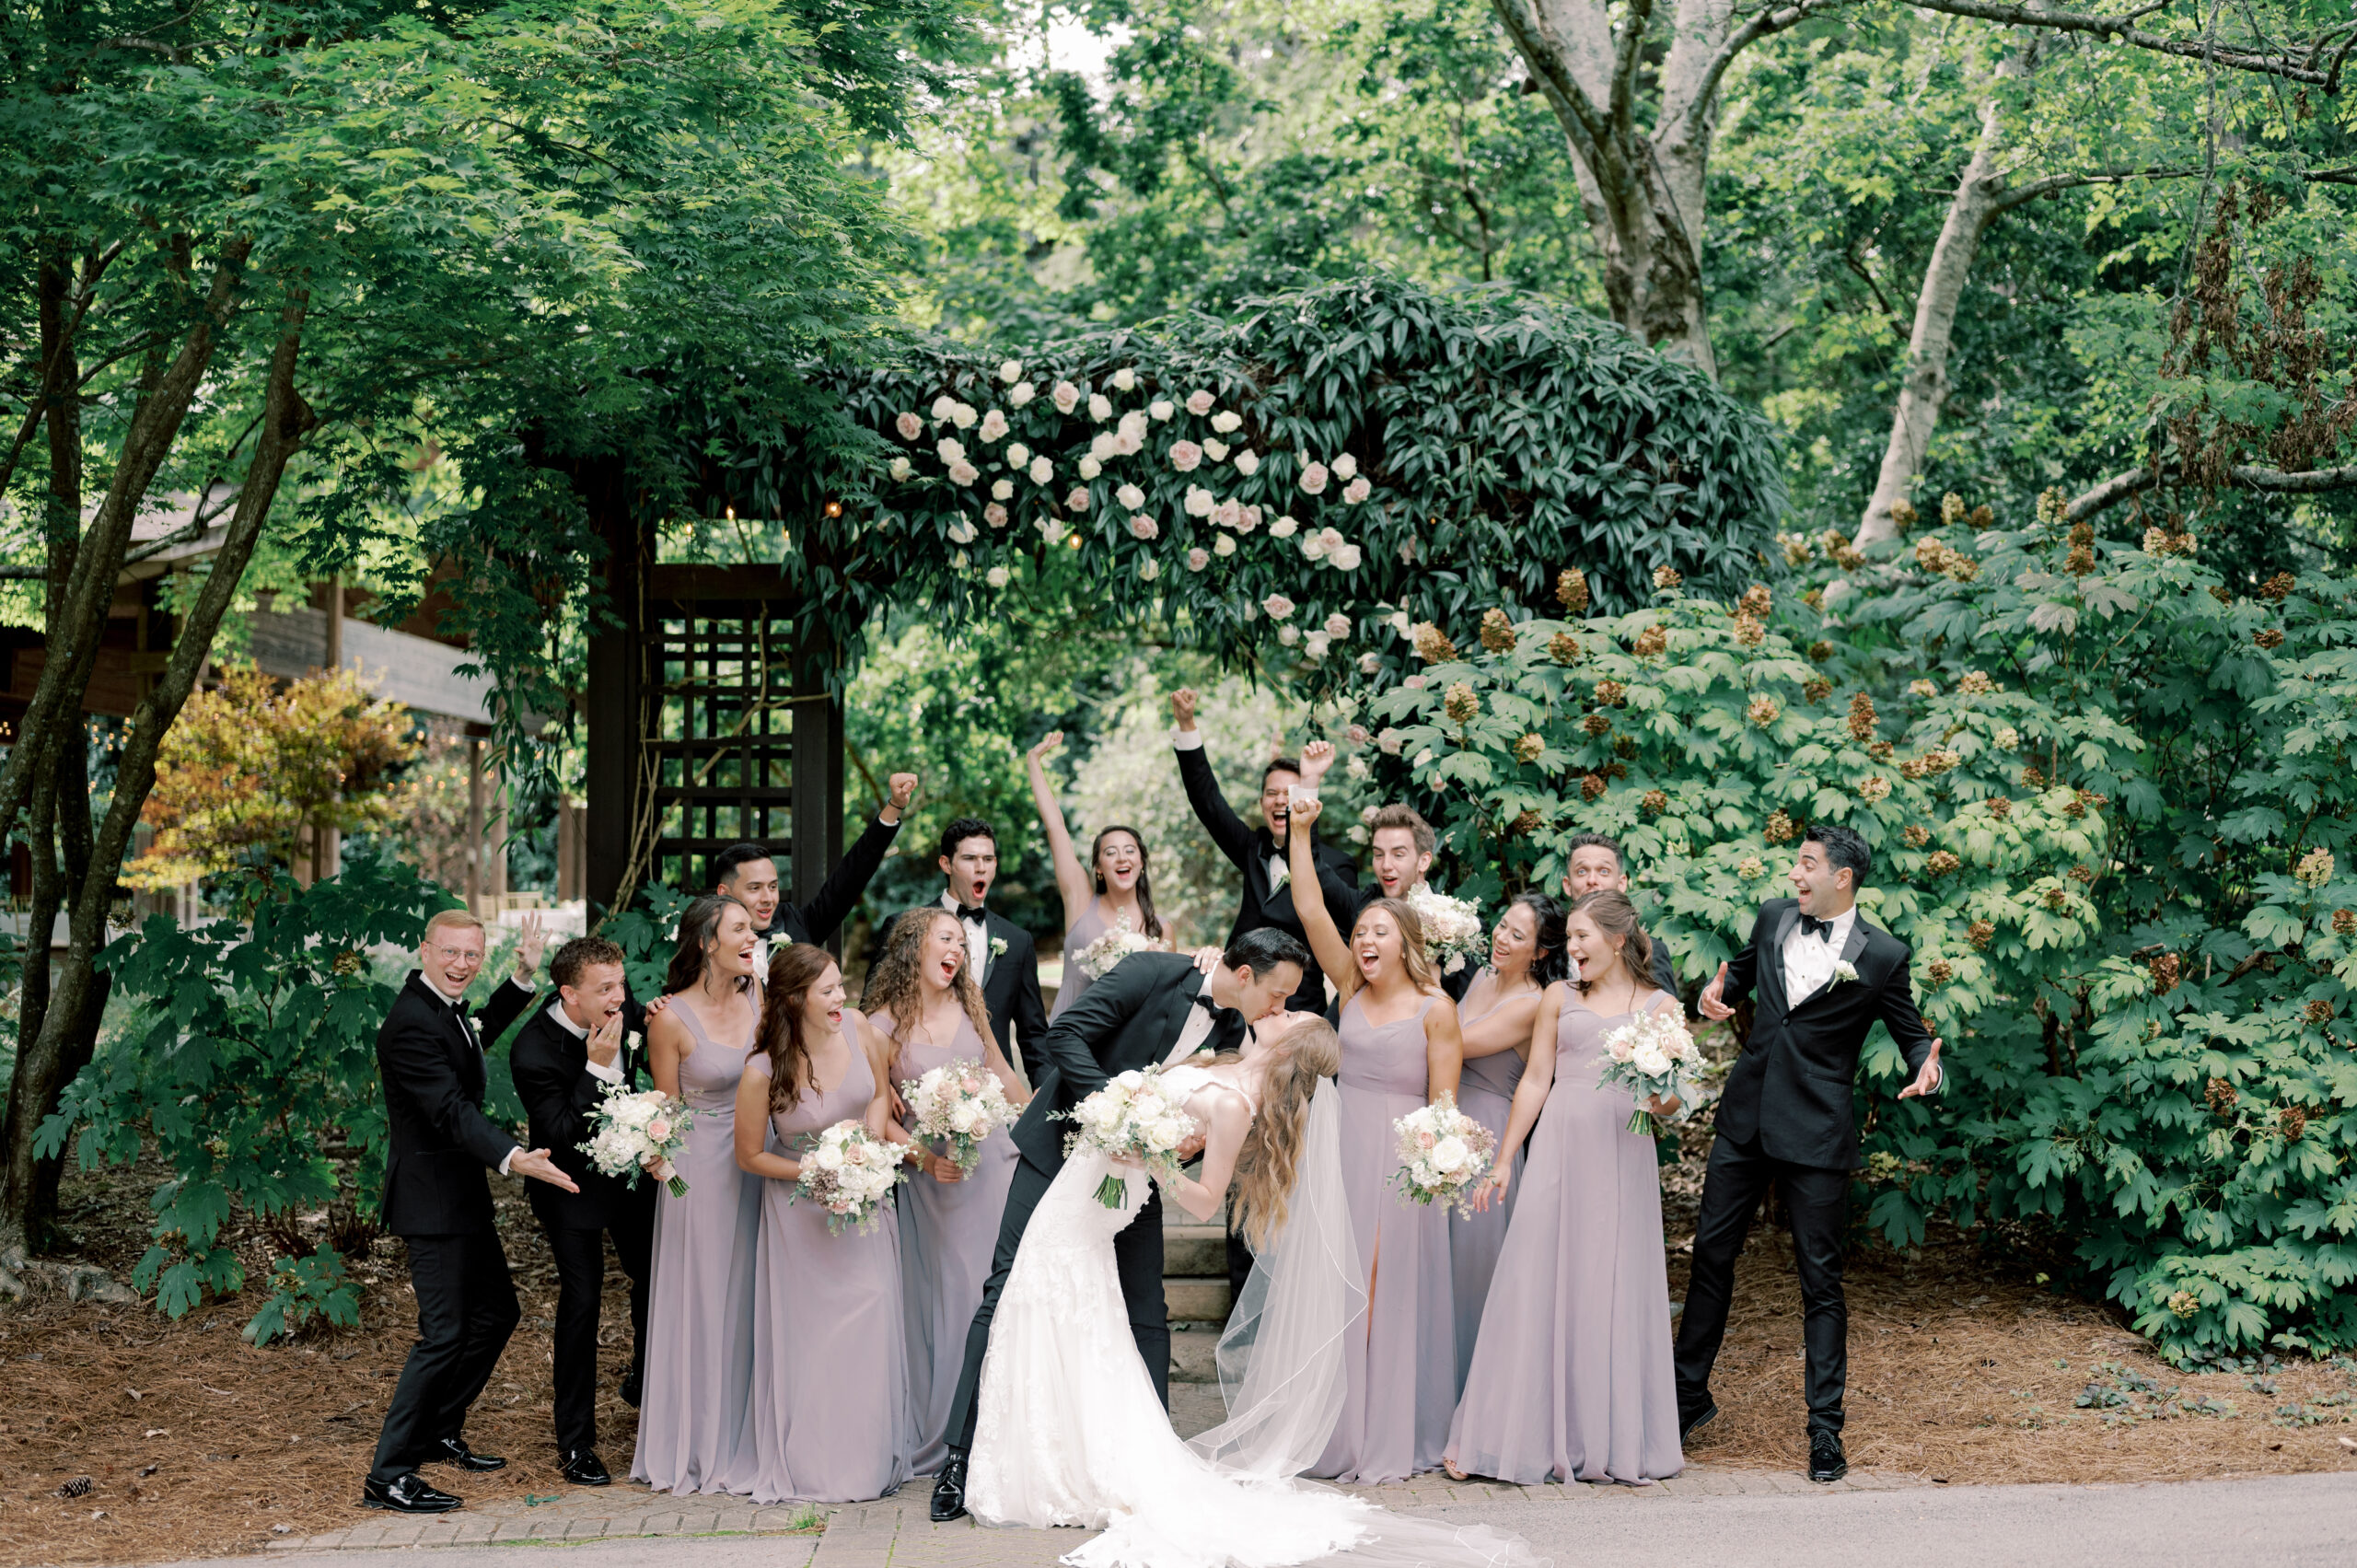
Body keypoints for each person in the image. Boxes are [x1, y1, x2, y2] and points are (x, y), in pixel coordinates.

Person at [957, 1008, 1544, 1568]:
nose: (1278, 1009)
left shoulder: (1239, 1106)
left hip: (1103, 1191)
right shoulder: (1220, 1063)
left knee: (1052, 1295)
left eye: (1291, 1017)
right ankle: (1055, 1457)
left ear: (1292, 1047)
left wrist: (1151, 1155)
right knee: (1056, 1302)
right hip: (1086, 1182)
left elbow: (1207, 1199)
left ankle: (1060, 1466)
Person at [928, 928, 1310, 1524]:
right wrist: (1115, 1108)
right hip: (1061, 1148)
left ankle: (1149, 1455)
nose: (1281, 1007)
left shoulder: (1239, 1031)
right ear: (1244, 975)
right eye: (1279, 993)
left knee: (1145, 1308)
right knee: (1005, 1286)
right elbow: (1065, 1033)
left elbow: (1204, 1117)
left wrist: (1165, 1149)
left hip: (1139, 1172)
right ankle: (957, 1456)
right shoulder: (1150, 972)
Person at [1678, 823, 1945, 1484]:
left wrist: (1927, 1069)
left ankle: (1825, 1430)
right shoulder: (1773, 917)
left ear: (1842, 877)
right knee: (1711, 1253)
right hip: (1745, 1118)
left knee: (1820, 1283)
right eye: (1796, 863)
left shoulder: (1883, 954)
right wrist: (1715, 997)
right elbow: (1736, 976)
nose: (1794, 875)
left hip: (1818, 1131)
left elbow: (1912, 1033)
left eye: (1807, 864)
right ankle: (1686, 1400)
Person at [1445, 891, 1684, 1485]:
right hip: (1558, 1148)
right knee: (1533, 1277)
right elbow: (1534, 1080)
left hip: (1623, 1154)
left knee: (1610, 1283)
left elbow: (1677, 1098)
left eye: (1583, 938)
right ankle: (1503, 1436)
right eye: (1570, 938)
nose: (1572, 949)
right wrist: (1503, 1161)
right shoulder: (1558, 996)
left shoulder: (1658, 1006)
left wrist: (1663, 1098)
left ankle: (1606, 1439)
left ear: (1618, 941)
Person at [364, 909, 575, 1516]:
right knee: (443, 1334)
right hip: (431, 1202)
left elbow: (474, 1030)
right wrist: (514, 1156)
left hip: (462, 1198)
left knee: (496, 1312)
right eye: (451, 952)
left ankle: (438, 1428)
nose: (462, 965)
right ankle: (390, 1473)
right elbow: (452, 1109)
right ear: (425, 951)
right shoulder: (409, 1025)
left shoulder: (444, 1011)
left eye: (472, 955)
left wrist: (520, 979)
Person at [1283, 796, 1464, 1481]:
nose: (1365, 938)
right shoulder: (1349, 987)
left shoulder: (1436, 1008)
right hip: (1342, 1152)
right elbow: (1307, 907)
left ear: (1407, 942)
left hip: (1399, 1162)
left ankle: (1384, 1431)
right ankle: (1338, 1429)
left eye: (1381, 931)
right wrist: (1302, 831)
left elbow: (1443, 1109)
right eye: (1362, 930)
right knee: (1339, 1288)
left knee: (1382, 1292)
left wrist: (1433, 1173)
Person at [734, 944, 913, 1504]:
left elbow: (880, 1095)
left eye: (841, 986)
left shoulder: (859, 1027)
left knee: (872, 1318)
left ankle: (867, 1459)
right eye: (828, 990)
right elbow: (750, 1156)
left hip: (866, 1206)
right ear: (794, 999)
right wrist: (817, 1171)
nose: (842, 998)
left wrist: (867, 1149)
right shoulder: (762, 1071)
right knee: (816, 1341)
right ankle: (819, 1466)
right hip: (802, 1218)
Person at [865, 907, 1028, 1474]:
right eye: (945, 938)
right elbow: (878, 1117)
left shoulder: (970, 1006)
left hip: (992, 1164)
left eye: (961, 940)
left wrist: (1044, 1127)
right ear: (914, 947)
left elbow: (1003, 1075)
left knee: (996, 1285)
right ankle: (956, 1428)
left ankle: (1002, 1422)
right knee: (951, 1293)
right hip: (935, 1179)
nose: (956, 948)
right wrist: (926, 1160)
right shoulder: (879, 1026)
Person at [505, 935, 658, 1487]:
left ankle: (646, 1381)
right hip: (568, 1185)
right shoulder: (532, 1051)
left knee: (656, 1278)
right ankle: (575, 1441)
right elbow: (562, 1135)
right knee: (584, 1300)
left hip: (633, 1177)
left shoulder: (626, 1008)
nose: (622, 997)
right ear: (570, 994)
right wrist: (596, 1067)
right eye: (606, 989)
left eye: (622, 983)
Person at [632, 895, 764, 1496]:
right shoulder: (669, 1019)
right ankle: (697, 1442)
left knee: (752, 1295)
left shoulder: (762, 998)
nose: (752, 934)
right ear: (708, 940)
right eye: (739, 927)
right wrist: (659, 1158)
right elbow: (665, 1109)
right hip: (698, 1169)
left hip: (757, 1159)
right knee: (706, 1298)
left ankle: (749, 1435)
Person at [1169, 689, 1359, 1015]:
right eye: (1271, 793)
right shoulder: (1251, 848)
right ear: (1261, 803)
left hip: (1296, 1011)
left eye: (1289, 793)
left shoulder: (1335, 866)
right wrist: (1187, 725)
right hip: (1232, 1007)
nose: (1280, 801)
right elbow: (1208, 802)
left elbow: (1343, 957)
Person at [1444, 893, 1564, 1389]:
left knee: (1475, 1271)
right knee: (1442, 1268)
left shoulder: (1532, 1003)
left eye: (1518, 935)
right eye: (1501, 925)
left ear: (1539, 952)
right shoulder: (1481, 976)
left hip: (1486, 1134)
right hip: (1449, 1125)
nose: (1501, 937)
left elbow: (1453, 1042)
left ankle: (1480, 1399)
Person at [1025, 730, 1178, 1021]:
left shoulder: (1161, 930)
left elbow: (1166, 1001)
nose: (1121, 857)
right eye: (1110, 852)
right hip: (1068, 1038)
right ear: (1098, 867)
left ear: (1141, 862)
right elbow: (1056, 827)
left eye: (1130, 851)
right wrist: (1033, 759)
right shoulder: (1081, 901)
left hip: (1125, 1048)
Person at [706, 770, 920, 968]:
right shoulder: (703, 943)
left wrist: (895, 806)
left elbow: (851, 876)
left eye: (773, 887)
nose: (768, 898)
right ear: (724, 893)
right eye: (754, 888)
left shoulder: (796, 924)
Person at [933, 817, 1051, 1076]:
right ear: (946, 864)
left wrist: (1043, 1090)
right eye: (969, 858)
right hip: (925, 1085)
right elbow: (876, 1016)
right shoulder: (907, 927)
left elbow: (1033, 1033)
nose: (981, 867)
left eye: (988, 859)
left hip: (998, 1089)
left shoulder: (1018, 940)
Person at [1562, 831, 1678, 996]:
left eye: (1604, 871)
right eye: (1582, 871)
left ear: (1621, 883)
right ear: (1567, 885)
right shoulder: (1549, 948)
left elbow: (1667, 1017)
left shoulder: (1650, 951)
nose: (1592, 880)